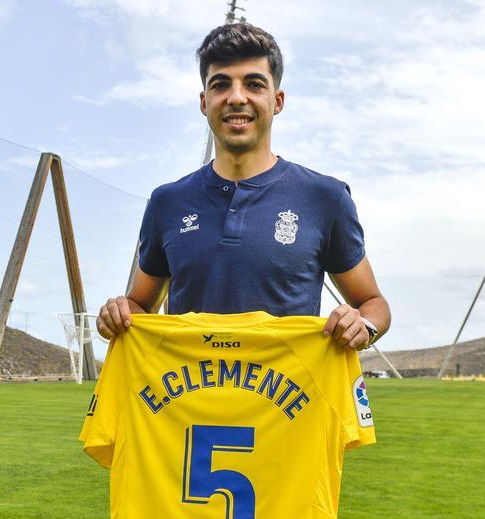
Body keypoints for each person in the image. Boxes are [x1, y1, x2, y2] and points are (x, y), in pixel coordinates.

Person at [96, 22, 390, 347]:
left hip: (286, 398)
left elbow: (373, 303)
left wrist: (363, 324)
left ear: (277, 101)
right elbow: (140, 305)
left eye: (253, 84)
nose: (237, 98)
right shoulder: (167, 202)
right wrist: (119, 313)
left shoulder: (325, 198)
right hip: (189, 397)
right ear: (204, 101)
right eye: (221, 85)